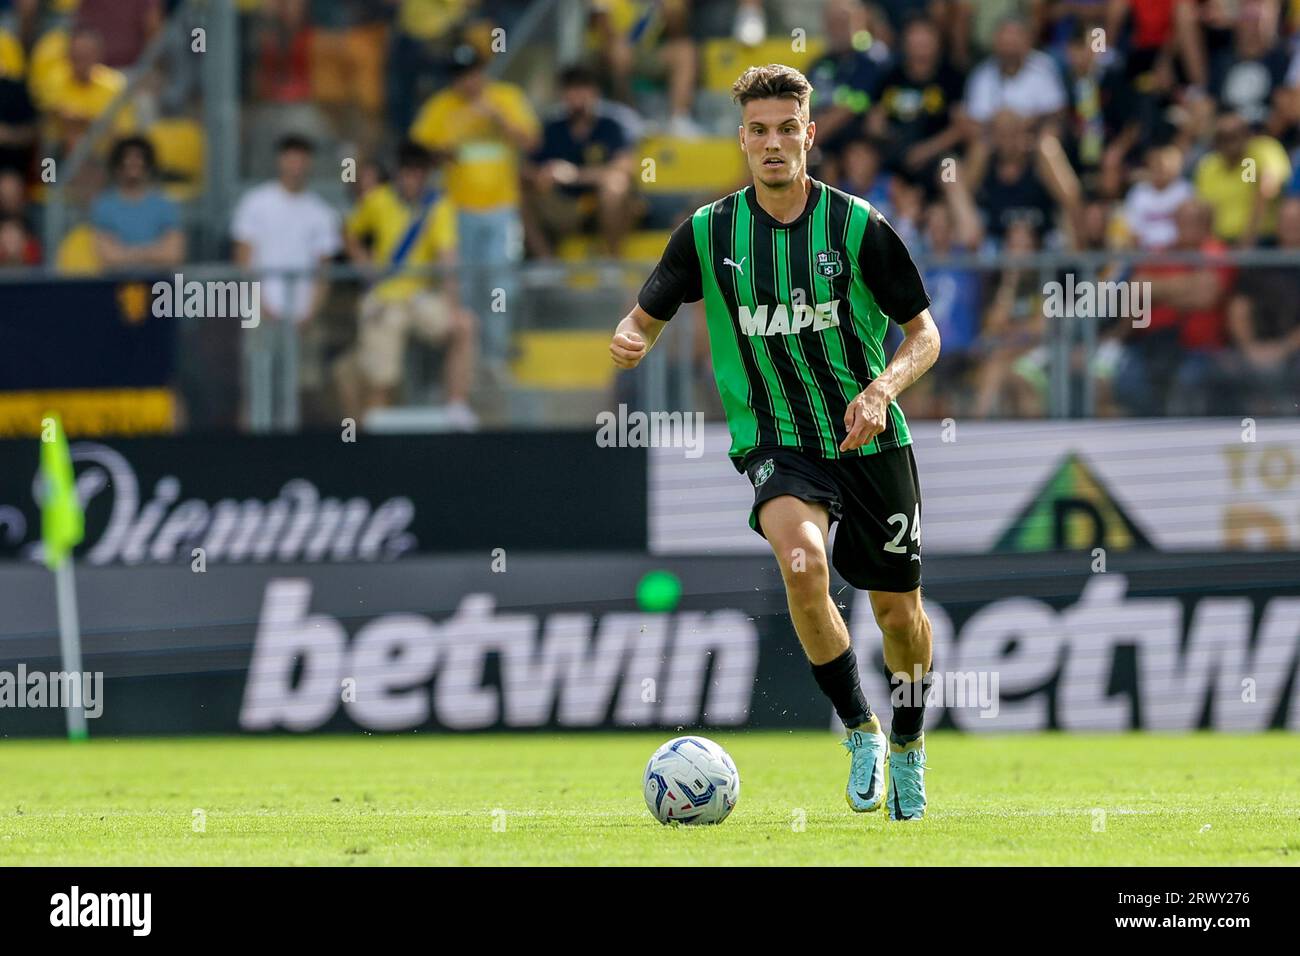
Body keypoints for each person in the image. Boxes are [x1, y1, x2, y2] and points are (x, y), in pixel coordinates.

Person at [609, 64, 941, 821]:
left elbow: (924, 334)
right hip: (778, 443)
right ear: (742, 140)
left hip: (869, 439)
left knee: (900, 616)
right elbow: (646, 313)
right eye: (758, 130)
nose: (773, 143)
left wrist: (882, 388)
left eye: (787, 128)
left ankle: (912, 745)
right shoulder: (709, 233)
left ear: (809, 135)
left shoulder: (857, 227)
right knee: (803, 564)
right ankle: (860, 730)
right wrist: (632, 335)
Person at [410, 43, 539, 379]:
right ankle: (468, 361)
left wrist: (498, 119)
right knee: (464, 288)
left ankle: (495, 358)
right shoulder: (441, 107)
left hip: (501, 210)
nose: (467, 81)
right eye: (460, 75)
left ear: (482, 72)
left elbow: (531, 142)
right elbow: (417, 152)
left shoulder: (506, 98)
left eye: (472, 73)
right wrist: (442, 152)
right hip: (459, 211)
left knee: (500, 285)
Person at [334, 140, 478, 428]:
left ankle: (457, 405)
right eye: (408, 172)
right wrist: (363, 262)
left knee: (464, 325)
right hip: (385, 296)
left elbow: (448, 260)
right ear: (398, 172)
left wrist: (453, 306)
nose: (413, 179)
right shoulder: (378, 200)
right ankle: (374, 436)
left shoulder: (438, 206)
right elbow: (348, 230)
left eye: (419, 172)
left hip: (420, 296)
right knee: (381, 378)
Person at [230, 134, 342, 431]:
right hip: (262, 312)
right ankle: (250, 456)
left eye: (302, 156)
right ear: (280, 160)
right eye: (291, 155)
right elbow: (243, 258)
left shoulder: (320, 212)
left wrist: (309, 313)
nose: (296, 163)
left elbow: (323, 270)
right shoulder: (256, 202)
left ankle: (294, 457)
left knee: (301, 389)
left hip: (302, 317)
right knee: (256, 387)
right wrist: (260, 303)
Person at [522, 64, 638, 258]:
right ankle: (546, 264)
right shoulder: (552, 129)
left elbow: (626, 167)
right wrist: (544, 174)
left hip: (604, 208)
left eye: (583, 88)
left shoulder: (611, 126)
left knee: (616, 186)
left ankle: (612, 260)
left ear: (595, 92)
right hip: (564, 207)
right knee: (520, 192)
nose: (577, 95)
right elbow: (528, 168)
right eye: (571, 89)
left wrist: (574, 175)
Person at [90, 135, 183, 270]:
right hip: (114, 285)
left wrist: (128, 254)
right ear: (117, 166)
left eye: (139, 161)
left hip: (159, 285)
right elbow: (108, 256)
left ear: (148, 165)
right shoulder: (104, 206)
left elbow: (173, 254)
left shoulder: (165, 205)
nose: (133, 165)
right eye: (127, 161)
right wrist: (153, 253)